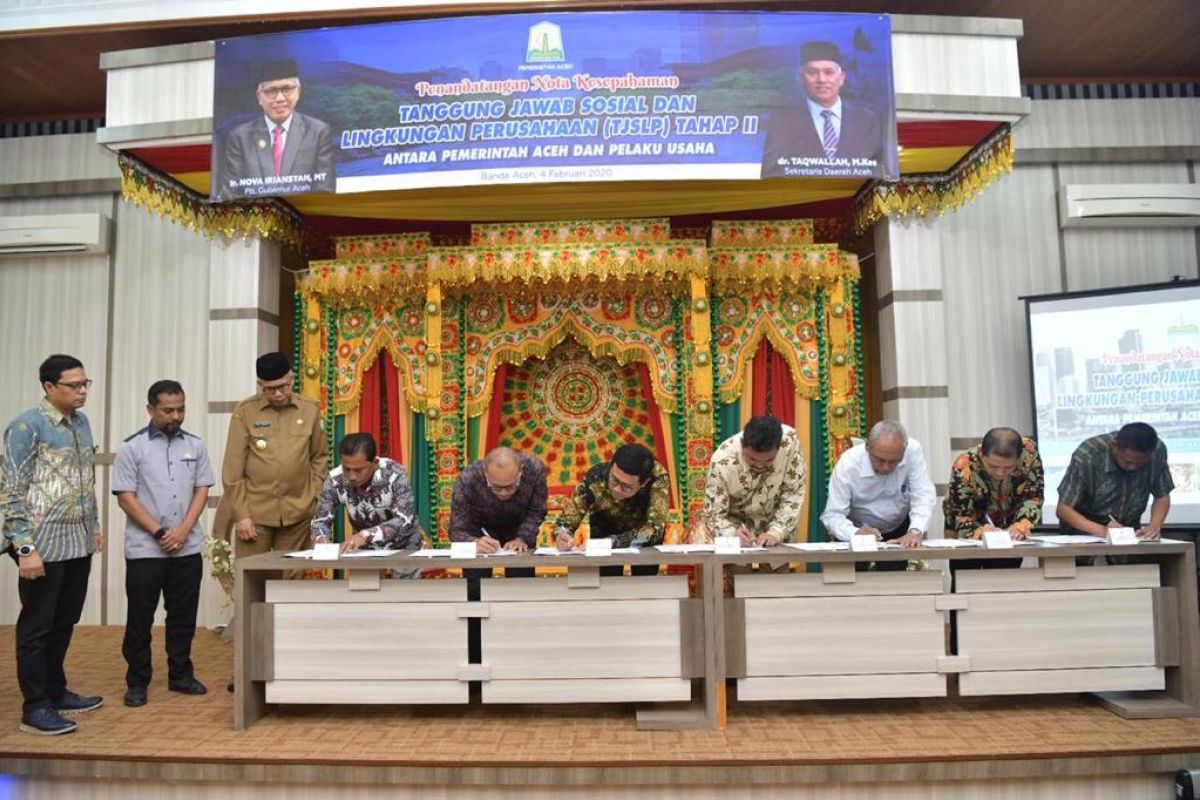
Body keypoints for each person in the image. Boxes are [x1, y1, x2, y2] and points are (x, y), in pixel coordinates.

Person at [2, 354, 104, 735]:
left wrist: (93, 525)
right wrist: (24, 548)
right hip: (41, 544)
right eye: (73, 386)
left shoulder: (82, 423)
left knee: (65, 620)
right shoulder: (27, 426)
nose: (82, 392)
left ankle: (56, 691)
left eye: (85, 384)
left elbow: (85, 479)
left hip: (76, 540)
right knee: (37, 626)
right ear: (49, 387)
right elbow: (11, 490)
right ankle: (35, 706)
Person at [113, 380, 213, 708]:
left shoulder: (196, 446)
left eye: (181, 409)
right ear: (150, 409)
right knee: (141, 617)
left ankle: (181, 675)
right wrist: (159, 532)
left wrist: (183, 530)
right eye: (168, 410)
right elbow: (126, 498)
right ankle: (137, 680)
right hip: (145, 549)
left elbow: (201, 489)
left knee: (182, 615)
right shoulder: (132, 447)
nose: (176, 416)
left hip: (187, 546)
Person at [222, 352, 328, 561]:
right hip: (255, 514)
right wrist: (242, 516)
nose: (278, 394)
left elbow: (319, 456)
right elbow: (233, 469)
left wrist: (313, 497)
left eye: (283, 386)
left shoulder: (309, 410)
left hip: (298, 512)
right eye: (270, 389)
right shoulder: (245, 411)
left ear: (291, 379)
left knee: (292, 581)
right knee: (252, 579)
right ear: (261, 384)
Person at [821, 420, 937, 571]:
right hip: (856, 530)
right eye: (880, 460)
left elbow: (922, 494)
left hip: (897, 529)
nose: (886, 467)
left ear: (904, 450)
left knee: (894, 584)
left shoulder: (913, 451)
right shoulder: (848, 464)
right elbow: (833, 515)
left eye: (894, 461)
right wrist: (854, 532)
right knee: (851, 583)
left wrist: (915, 530)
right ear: (868, 447)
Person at [214, 58, 336, 200]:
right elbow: (231, 193)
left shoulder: (318, 131)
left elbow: (325, 188)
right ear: (259, 97)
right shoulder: (240, 137)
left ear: (298, 92)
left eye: (287, 89)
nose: (279, 98)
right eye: (271, 91)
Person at [760, 40, 883, 178]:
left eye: (829, 72)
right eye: (812, 72)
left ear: (841, 78)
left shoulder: (865, 119)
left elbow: (877, 169)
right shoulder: (782, 120)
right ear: (801, 78)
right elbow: (771, 171)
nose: (822, 80)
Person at [553, 443, 670, 576]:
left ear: (643, 483)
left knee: (644, 585)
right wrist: (561, 534)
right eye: (614, 480)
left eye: (626, 487)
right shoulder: (595, 475)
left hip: (643, 537)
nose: (616, 489)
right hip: (604, 530)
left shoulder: (657, 476)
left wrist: (615, 542)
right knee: (606, 585)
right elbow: (566, 521)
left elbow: (655, 529)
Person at [944, 427, 1044, 571]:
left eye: (1008, 468)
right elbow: (960, 515)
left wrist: (1019, 526)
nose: (1000, 473)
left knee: (1005, 577)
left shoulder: (1029, 454)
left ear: (1018, 457)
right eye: (993, 466)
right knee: (966, 579)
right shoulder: (964, 465)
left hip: (1010, 526)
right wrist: (980, 531)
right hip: (969, 530)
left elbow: (1034, 497)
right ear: (982, 454)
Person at [310, 433, 422, 561]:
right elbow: (320, 521)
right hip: (364, 547)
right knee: (362, 581)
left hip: (404, 544)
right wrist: (321, 541)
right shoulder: (335, 479)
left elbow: (404, 519)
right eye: (346, 469)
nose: (351, 476)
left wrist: (365, 535)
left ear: (375, 463)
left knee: (403, 579)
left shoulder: (395, 474)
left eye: (358, 470)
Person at [701, 415, 806, 548]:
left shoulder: (789, 443)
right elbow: (713, 514)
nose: (760, 466)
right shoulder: (722, 461)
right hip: (737, 527)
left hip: (776, 523)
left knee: (777, 565)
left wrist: (776, 532)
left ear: (778, 448)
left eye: (769, 460)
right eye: (752, 459)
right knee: (736, 567)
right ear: (743, 444)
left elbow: (793, 493)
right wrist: (732, 535)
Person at [1056, 422, 1172, 541]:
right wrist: (1104, 531)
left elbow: (1162, 494)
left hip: (1128, 530)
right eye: (1128, 462)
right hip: (1084, 530)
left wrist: (1154, 526)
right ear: (1114, 446)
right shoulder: (1088, 455)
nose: (1133, 467)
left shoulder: (1157, 451)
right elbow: (1064, 509)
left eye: (1140, 464)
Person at [449, 446, 547, 580]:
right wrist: (474, 542)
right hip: (479, 529)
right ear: (485, 472)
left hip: (519, 525)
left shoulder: (535, 469)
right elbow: (457, 529)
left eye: (510, 486)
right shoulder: (468, 478)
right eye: (496, 487)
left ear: (521, 470)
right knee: (475, 581)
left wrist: (522, 538)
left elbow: (537, 511)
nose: (503, 493)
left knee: (521, 580)